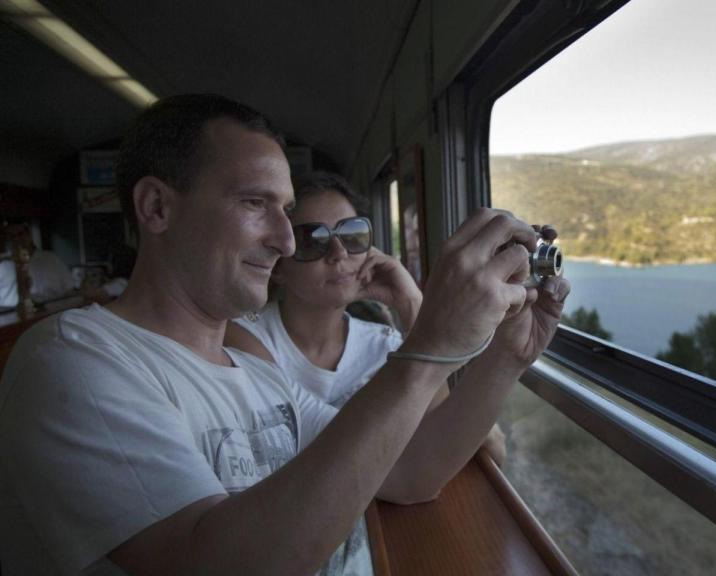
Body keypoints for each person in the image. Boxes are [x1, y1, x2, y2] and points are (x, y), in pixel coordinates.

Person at [0, 93, 570, 575]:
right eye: (254, 203)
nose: (288, 241)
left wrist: (505, 358)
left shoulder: (253, 366)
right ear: (156, 207)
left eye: (286, 209)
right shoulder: (73, 361)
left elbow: (410, 472)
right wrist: (430, 346)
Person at [226, 171, 508, 465]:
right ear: (279, 266)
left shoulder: (388, 347)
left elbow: (446, 440)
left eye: (351, 235)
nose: (339, 253)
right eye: (312, 240)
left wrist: (412, 304)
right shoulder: (244, 340)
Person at [0, 222, 76, 308]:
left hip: (51, 311)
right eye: (12, 236)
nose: (17, 239)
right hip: (11, 313)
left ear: (29, 235)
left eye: (20, 234)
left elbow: (70, 289)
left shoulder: (51, 259)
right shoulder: (2, 263)